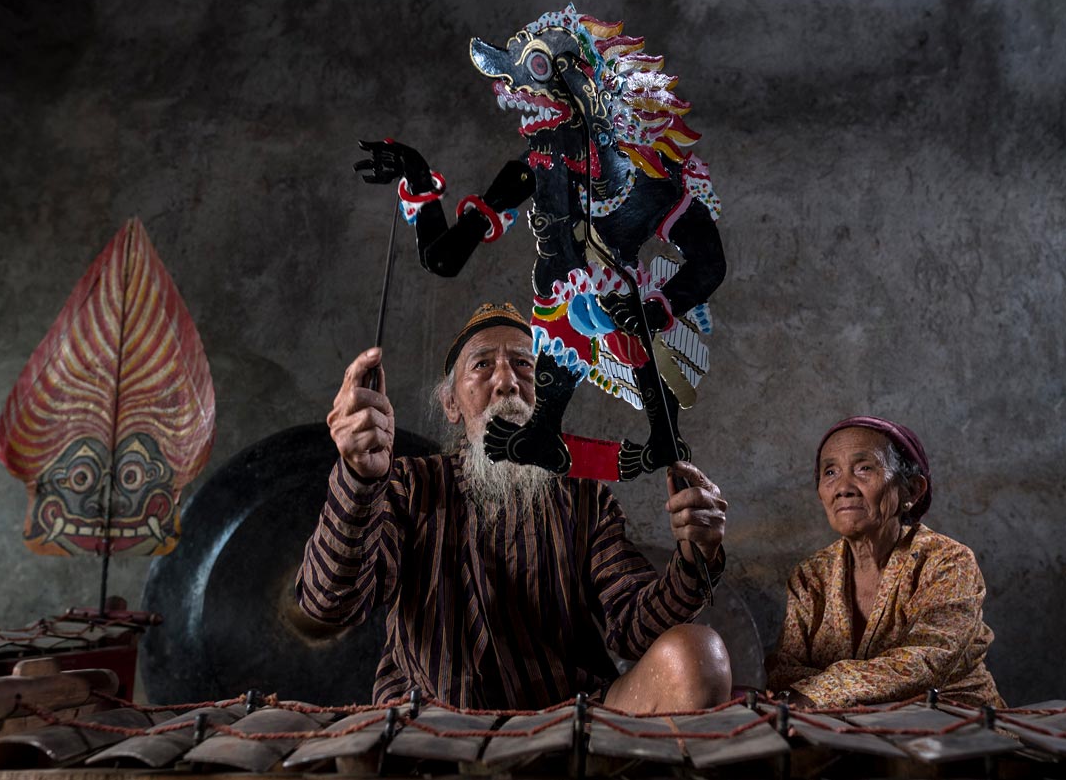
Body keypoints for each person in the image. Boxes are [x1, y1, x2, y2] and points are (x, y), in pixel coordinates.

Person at [296, 302, 731, 712]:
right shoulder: (408, 485)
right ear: (451, 404)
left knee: (697, 656)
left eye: (524, 364)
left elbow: (635, 630)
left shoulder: (585, 498)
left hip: (572, 722)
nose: (506, 381)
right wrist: (359, 479)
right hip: (434, 728)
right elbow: (329, 604)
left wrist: (695, 557)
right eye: (482, 365)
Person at [766, 416, 1004, 708]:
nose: (843, 487)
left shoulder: (948, 562)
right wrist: (822, 694)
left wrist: (819, 691)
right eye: (830, 472)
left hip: (954, 727)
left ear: (912, 491)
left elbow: (926, 660)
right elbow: (784, 670)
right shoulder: (809, 576)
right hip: (842, 730)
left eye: (864, 468)